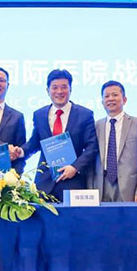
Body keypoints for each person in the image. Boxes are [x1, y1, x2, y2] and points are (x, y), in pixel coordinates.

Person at [21, 69, 97, 202]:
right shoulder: (39, 114)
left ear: (70, 89)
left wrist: (75, 167)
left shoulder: (85, 114)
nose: (59, 91)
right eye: (55, 87)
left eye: (64, 87)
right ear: (47, 90)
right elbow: (34, 143)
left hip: (73, 182)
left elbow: (92, 147)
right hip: (44, 183)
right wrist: (21, 151)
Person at [92, 80, 137, 202]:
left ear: (124, 100)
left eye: (115, 95)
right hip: (102, 186)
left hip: (129, 187)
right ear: (102, 102)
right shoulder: (96, 126)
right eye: (106, 96)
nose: (110, 99)